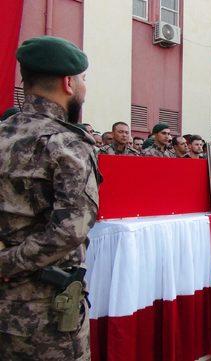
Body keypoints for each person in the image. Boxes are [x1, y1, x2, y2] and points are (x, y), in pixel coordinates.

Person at [0, 35, 97, 360]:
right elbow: (70, 231)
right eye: (83, 80)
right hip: (44, 314)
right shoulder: (66, 144)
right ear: (68, 83)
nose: (83, 87)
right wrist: (7, 263)